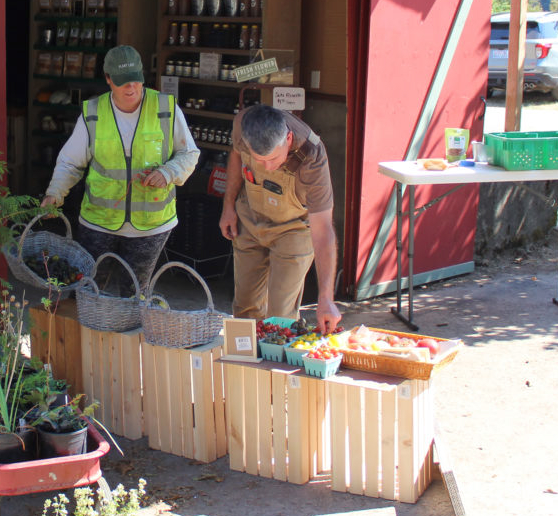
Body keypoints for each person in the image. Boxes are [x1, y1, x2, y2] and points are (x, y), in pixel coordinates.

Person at [40, 45, 200, 294]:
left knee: (135, 295)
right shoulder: (93, 113)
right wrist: (55, 193)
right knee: (87, 288)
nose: (131, 88)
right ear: (108, 80)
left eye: (136, 80)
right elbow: (71, 162)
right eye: (123, 82)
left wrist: (168, 172)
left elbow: (189, 153)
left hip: (152, 225)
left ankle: (129, 331)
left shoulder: (166, 108)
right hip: (98, 222)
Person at [219, 104, 341, 332]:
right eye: (260, 160)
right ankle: (245, 365)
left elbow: (323, 231)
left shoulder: (312, 157)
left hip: (293, 230)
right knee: (244, 310)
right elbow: (236, 156)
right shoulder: (242, 123)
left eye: (274, 159)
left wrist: (326, 297)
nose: (267, 167)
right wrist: (228, 206)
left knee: (280, 318)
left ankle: (274, 366)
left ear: (288, 138)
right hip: (250, 218)